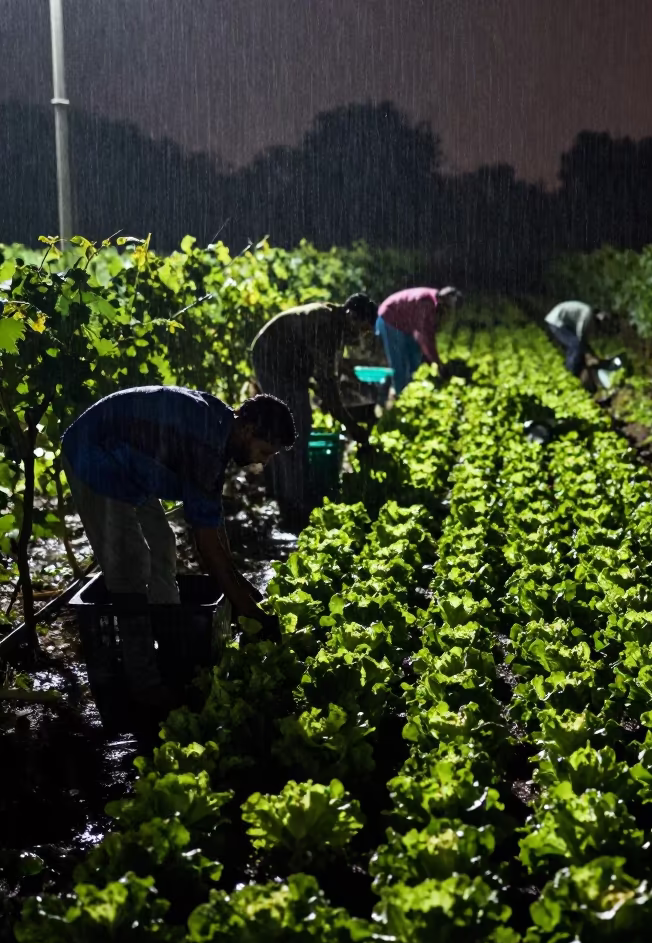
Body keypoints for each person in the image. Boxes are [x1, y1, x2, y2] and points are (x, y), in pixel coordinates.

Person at [61, 386, 296, 708]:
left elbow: (214, 528)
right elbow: (208, 548)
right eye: (265, 452)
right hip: (96, 454)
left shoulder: (221, 428)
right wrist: (249, 612)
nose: (263, 463)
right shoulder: (206, 447)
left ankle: (171, 646)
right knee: (130, 564)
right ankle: (145, 685)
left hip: (131, 465)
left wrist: (246, 594)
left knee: (162, 546)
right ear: (249, 429)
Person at [250, 294, 379, 527]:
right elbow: (327, 385)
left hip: (290, 365)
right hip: (272, 358)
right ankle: (292, 504)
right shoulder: (326, 324)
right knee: (293, 428)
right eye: (363, 329)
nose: (361, 336)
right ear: (352, 316)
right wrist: (352, 426)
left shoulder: (336, 324)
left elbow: (330, 371)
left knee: (301, 424)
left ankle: (291, 491)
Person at [376, 286, 462, 394]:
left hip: (406, 323)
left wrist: (431, 358)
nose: (448, 312)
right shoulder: (426, 303)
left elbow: (424, 334)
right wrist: (437, 362)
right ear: (442, 301)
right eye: (447, 308)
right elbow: (425, 335)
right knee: (399, 363)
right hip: (390, 317)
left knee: (415, 359)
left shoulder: (436, 302)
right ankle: (399, 396)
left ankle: (411, 391)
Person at [543, 300, 602, 386]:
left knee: (576, 345)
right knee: (575, 345)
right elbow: (579, 333)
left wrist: (590, 352)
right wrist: (587, 354)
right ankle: (569, 373)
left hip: (558, 320)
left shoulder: (586, 311)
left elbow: (582, 336)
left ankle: (573, 368)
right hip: (556, 321)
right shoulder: (587, 313)